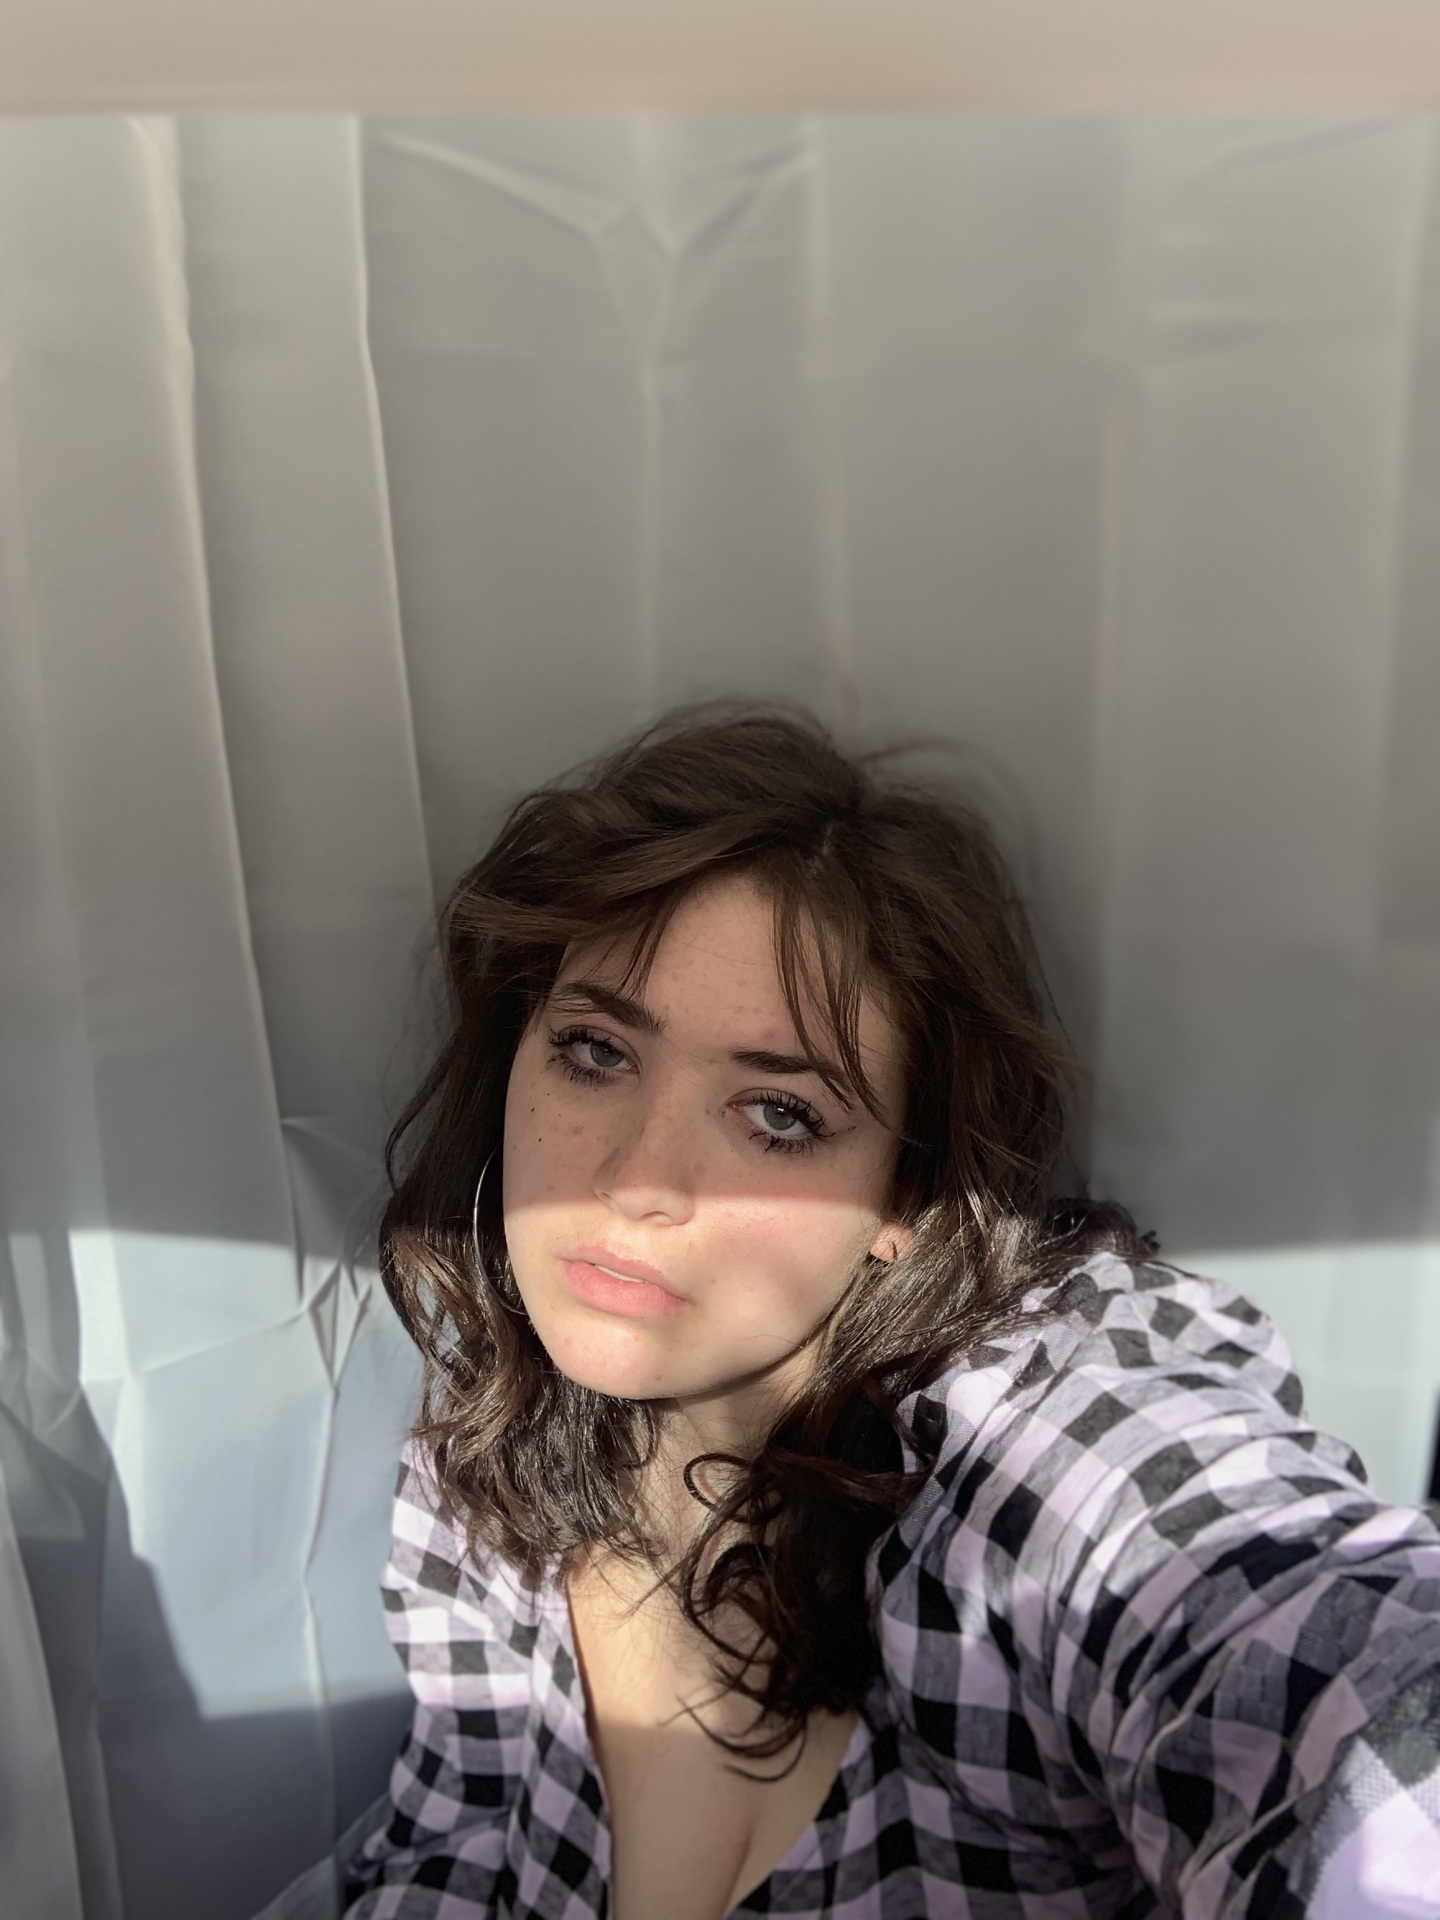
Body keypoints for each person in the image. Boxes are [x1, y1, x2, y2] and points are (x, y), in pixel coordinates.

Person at [344, 705, 1440, 1919]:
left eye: (779, 1116)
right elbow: (443, 1860)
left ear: (907, 1196)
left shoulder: (1023, 1451)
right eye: (598, 1051)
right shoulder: (477, 1476)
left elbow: (1286, 1634)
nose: (636, 1183)